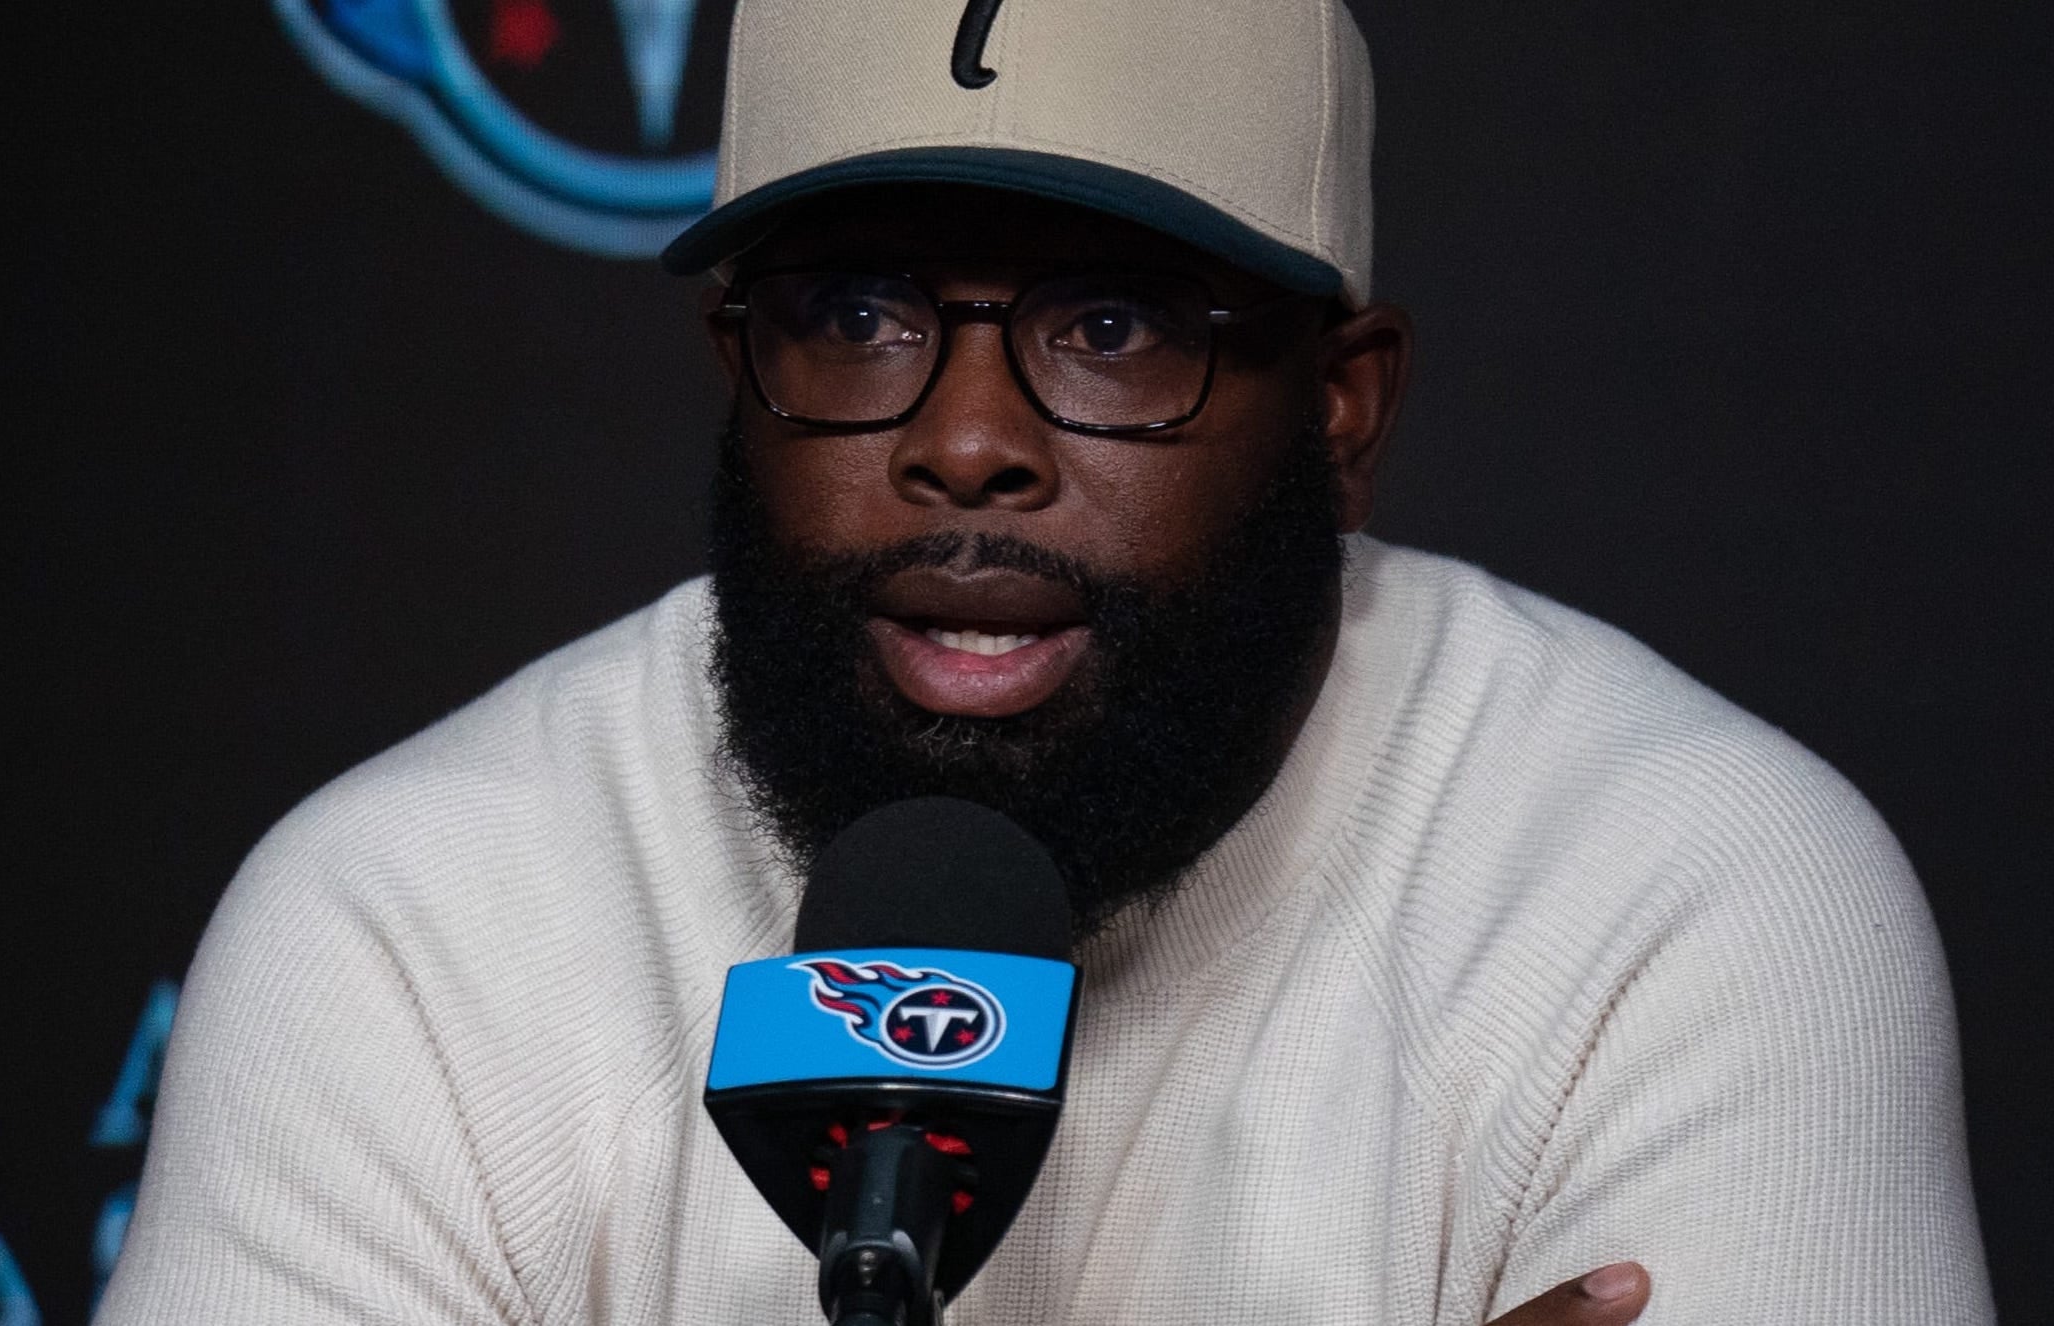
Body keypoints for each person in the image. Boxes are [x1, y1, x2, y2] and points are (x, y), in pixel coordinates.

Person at [97, 2, 1992, 1322]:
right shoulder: (405, 923)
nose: (969, 442)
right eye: (859, 314)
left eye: (1111, 325)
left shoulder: (1687, 895)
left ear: (1343, 406)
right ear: (736, 371)